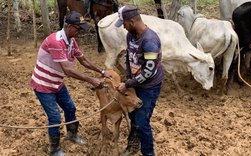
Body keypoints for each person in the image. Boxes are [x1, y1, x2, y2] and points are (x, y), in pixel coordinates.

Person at [30, 11, 110, 156]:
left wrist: (102, 72)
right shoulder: (56, 41)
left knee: (70, 108)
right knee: (55, 117)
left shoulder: (71, 41)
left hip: (56, 82)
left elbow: (83, 60)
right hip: (43, 85)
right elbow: (68, 70)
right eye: (78, 28)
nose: (79, 32)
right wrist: (92, 80)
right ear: (68, 26)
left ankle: (72, 134)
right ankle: (54, 149)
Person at [116, 5, 165, 156]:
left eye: (124, 23)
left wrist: (128, 84)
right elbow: (129, 57)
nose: (123, 27)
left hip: (149, 86)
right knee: (133, 115)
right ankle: (133, 145)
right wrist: (129, 78)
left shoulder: (150, 41)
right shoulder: (130, 35)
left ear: (131, 21)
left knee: (142, 122)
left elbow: (149, 71)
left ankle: (148, 153)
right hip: (135, 82)